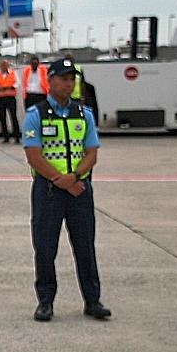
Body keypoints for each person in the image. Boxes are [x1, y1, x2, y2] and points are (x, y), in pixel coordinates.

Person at [21, 57, 111, 322]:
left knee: (85, 245)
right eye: (63, 78)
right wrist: (60, 180)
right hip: (48, 190)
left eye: (72, 79)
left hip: (79, 189)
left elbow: (92, 153)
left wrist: (73, 178)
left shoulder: (85, 114)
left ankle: (92, 300)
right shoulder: (35, 114)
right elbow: (34, 155)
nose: (69, 83)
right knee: (46, 247)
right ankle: (45, 301)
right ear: (51, 80)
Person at [0, 57, 21, 143]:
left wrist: (10, 87)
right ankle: (6, 137)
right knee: (2, 118)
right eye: (2, 65)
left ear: (8, 66)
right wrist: (0, 88)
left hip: (10, 97)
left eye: (5, 65)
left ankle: (16, 137)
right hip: (1, 98)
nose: (4, 67)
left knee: (13, 117)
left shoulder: (13, 73)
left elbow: (17, 83)